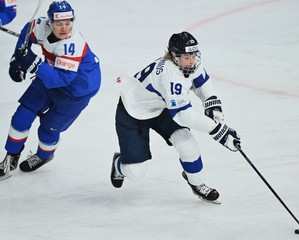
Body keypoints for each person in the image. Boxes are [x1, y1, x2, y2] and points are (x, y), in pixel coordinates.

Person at [111, 31, 241, 202]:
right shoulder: (170, 76)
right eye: (187, 57)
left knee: (186, 142)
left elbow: (201, 81)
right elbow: (182, 114)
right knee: (136, 172)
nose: (192, 60)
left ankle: (197, 183)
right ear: (174, 56)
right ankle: (118, 164)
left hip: (162, 105)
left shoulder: (187, 62)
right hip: (133, 112)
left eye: (194, 55)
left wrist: (211, 102)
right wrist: (218, 131)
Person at [0, 0, 101, 179]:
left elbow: (62, 80)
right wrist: (17, 59)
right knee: (21, 116)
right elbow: (26, 33)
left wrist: (34, 64)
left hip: (76, 90)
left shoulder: (73, 44)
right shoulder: (39, 25)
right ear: (49, 22)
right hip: (51, 74)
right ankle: (11, 156)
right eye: (59, 24)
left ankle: (44, 155)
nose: (64, 28)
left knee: (47, 130)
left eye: (68, 23)